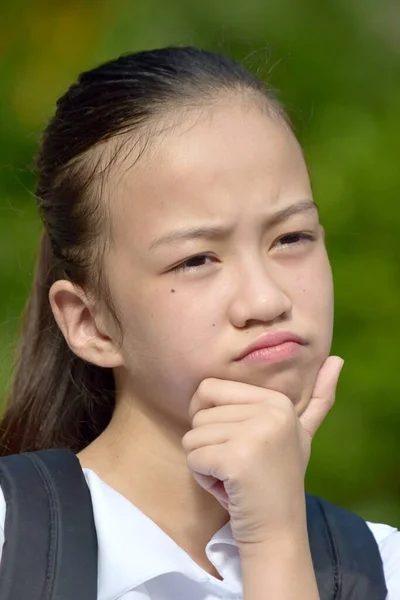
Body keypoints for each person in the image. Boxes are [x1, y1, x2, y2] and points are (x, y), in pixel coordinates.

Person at [0, 46, 398, 599]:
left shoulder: (380, 568)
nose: (265, 298)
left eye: (291, 238)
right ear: (90, 322)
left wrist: (276, 539)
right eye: (195, 260)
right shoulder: (12, 542)